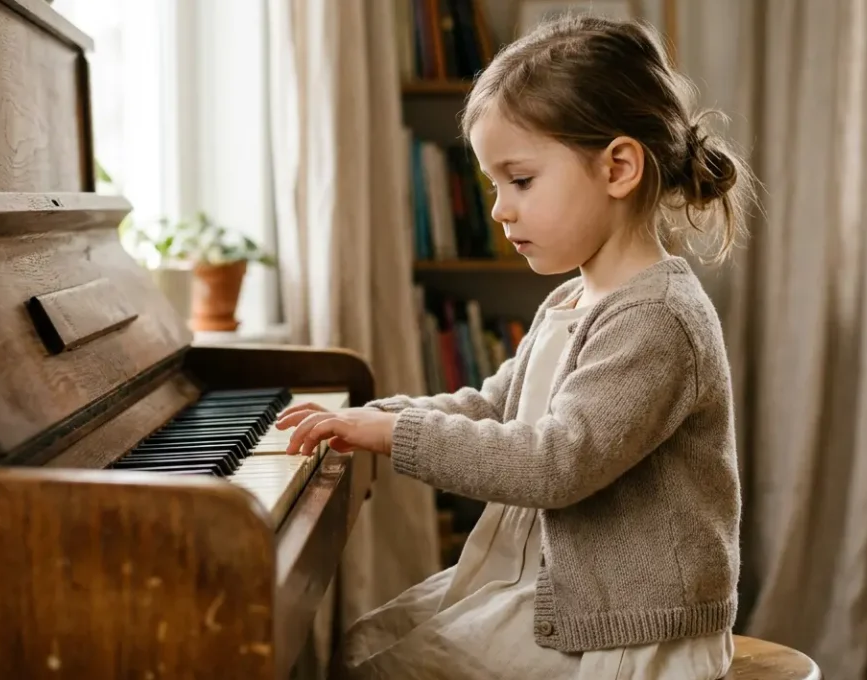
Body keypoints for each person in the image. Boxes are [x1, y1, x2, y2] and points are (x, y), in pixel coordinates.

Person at [274, 12, 756, 680]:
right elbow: (496, 408)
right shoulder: (573, 299)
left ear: (618, 167)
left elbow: (554, 463)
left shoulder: (658, 320)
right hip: (561, 598)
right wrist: (380, 416)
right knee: (363, 648)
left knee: (376, 668)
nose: (499, 209)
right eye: (493, 186)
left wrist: (394, 435)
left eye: (520, 180)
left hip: (630, 635)